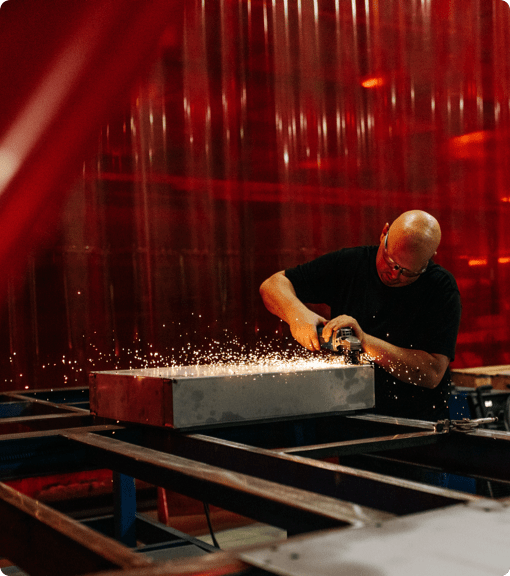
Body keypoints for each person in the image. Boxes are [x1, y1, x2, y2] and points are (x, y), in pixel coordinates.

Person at [259, 210, 461, 421]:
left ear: (429, 260)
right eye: (390, 260)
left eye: (407, 272)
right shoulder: (350, 264)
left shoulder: (441, 289)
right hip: (352, 417)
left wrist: (364, 341)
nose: (394, 274)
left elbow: (431, 373)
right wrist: (298, 315)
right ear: (384, 233)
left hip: (418, 426)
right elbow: (272, 285)